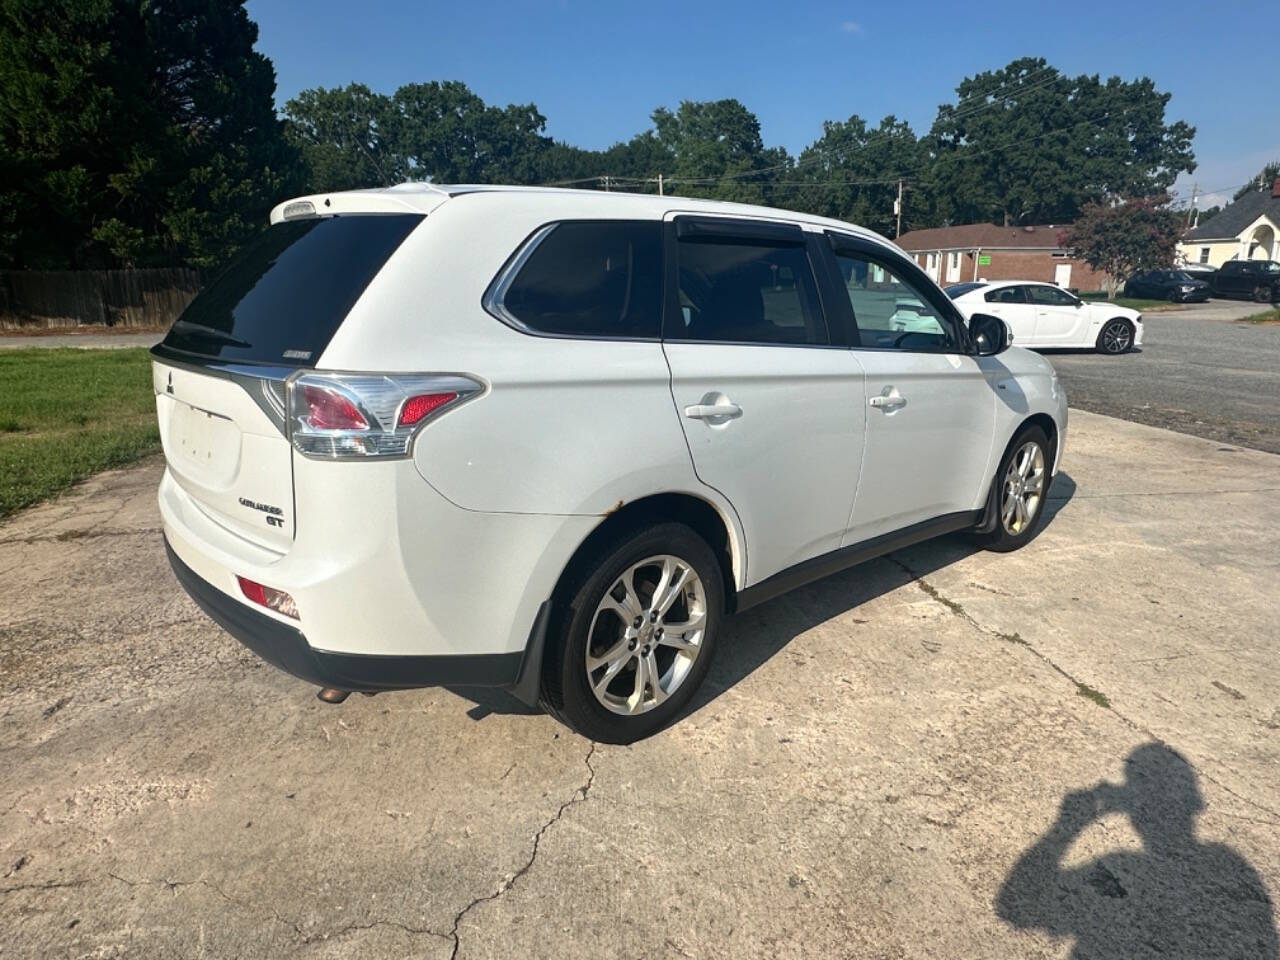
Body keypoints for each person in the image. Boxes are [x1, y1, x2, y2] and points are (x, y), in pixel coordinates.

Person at [997, 743, 1277, 959]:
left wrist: (1070, 822)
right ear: (1196, 802)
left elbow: (1014, 910)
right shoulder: (1229, 864)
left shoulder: (1126, 859)